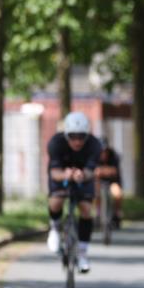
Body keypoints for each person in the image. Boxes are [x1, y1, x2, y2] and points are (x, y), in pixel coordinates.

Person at [46, 111, 102, 273]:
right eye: (73, 136)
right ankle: (55, 228)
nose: (77, 141)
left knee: (86, 209)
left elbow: (92, 170)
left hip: (83, 177)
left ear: (87, 135)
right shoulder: (55, 143)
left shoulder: (94, 145)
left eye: (81, 137)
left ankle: (83, 253)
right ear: (66, 135)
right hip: (61, 176)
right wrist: (66, 175)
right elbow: (54, 172)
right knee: (56, 201)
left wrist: (83, 175)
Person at [95, 139, 124, 228]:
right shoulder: (94, 156)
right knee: (96, 193)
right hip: (99, 182)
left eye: (105, 151)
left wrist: (101, 171)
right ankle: (98, 213)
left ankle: (117, 213)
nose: (103, 153)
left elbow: (115, 171)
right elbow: (93, 172)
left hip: (112, 182)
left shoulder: (114, 156)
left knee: (117, 193)